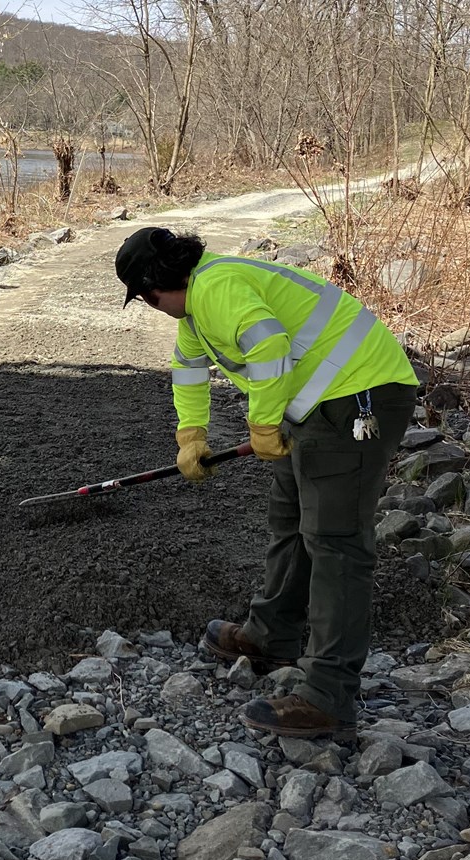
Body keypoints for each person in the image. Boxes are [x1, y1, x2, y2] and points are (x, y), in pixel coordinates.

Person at [115, 227, 419, 739]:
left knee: (336, 543)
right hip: (318, 403)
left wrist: (262, 422)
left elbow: (269, 342)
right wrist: (191, 436)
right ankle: (272, 634)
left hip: (359, 395)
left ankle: (328, 696)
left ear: (155, 287)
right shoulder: (198, 311)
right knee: (290, 518)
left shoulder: (217, 288)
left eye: (146, 299)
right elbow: (187, 369)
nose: (152, 308)